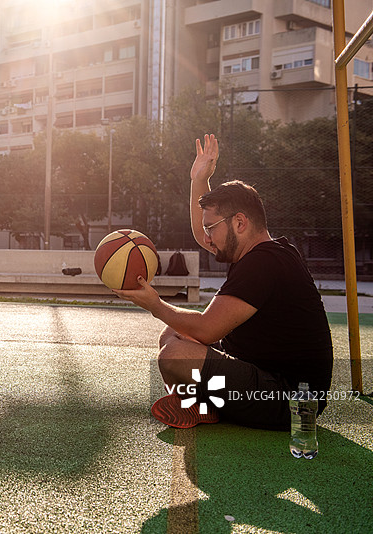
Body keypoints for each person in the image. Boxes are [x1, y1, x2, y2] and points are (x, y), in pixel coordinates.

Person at [114, 135, 333, 430]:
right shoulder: (260, 252)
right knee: (172, 334)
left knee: (176, 354)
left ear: (240, 223)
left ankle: (200, 403)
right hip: (263, 374)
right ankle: (200, 406)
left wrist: (154, 304)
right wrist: (198, 179)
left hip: (289, 400)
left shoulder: (263, 263)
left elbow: (206, 330)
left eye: (212, 228)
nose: (206, 238)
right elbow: (200, 231)